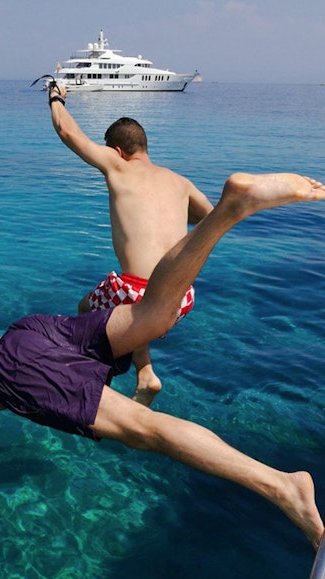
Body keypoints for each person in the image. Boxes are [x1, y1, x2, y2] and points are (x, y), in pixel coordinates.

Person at [0, 172, 325, 579]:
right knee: (153, 315)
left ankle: (283, 487)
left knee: (143, 432)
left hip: (13, 371)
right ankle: (229, 209)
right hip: (28, 335)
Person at [48, 82, 214, 405]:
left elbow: (68, 133)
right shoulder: (180, 182)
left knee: (87, 308)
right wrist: (178, 218)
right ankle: (144, 373)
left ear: (118, 151)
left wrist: (55, 97)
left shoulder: (118, 167)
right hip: (182, 297)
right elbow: (210, 217)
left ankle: (92, 381)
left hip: (137, 291)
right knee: (138, 305)